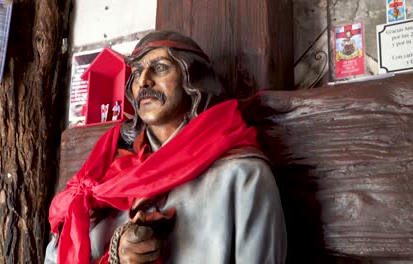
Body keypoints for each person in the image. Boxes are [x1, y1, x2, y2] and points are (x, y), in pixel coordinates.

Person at [46, 31, 287, 264]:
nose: (143, 81)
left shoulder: (242, 176)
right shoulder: (110, 179)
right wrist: (115, 256)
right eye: (137, 71)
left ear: (193, 80)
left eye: (160, 67)